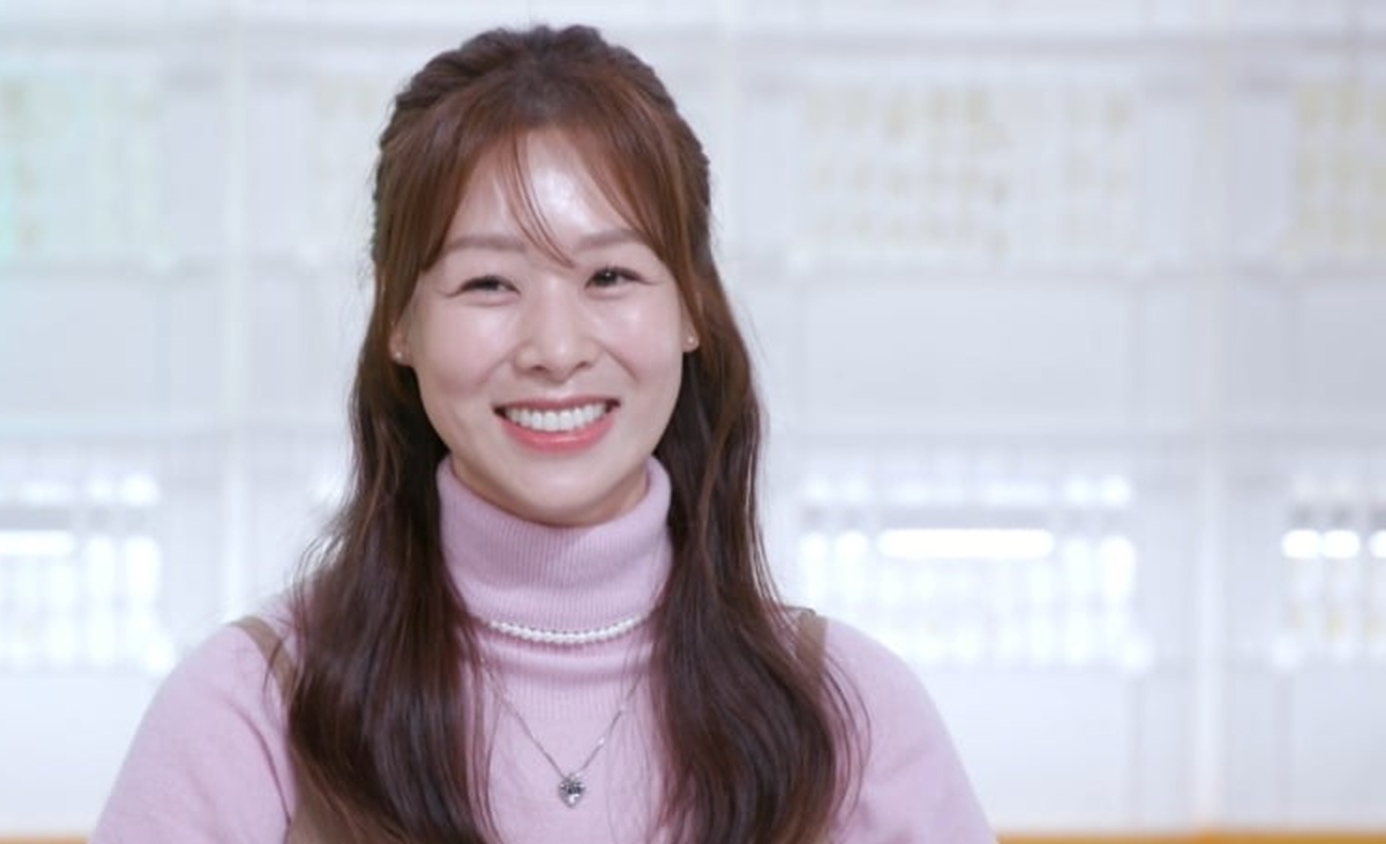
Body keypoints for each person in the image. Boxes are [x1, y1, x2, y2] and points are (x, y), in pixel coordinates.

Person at [92, 23, 993, 844]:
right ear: (399, 320)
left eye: (610, 277)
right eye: (489, 284)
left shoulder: (851, 720)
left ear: (691, 308)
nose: (556, 350)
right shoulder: (249, 717)